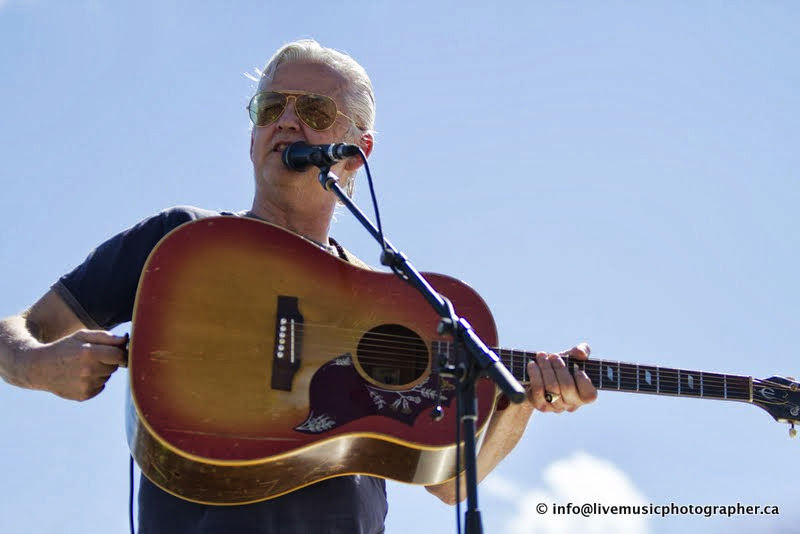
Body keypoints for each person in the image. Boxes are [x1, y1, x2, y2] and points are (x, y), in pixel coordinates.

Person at [0, 40, 597, 533]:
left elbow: (449, 485)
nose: (286, 121)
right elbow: (19, 331)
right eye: (270, 108)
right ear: (252, 134)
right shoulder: (180, 243)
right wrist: (37, 364)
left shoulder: (392, 303)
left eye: (312, 110)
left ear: (357, 153)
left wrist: (522, 403)